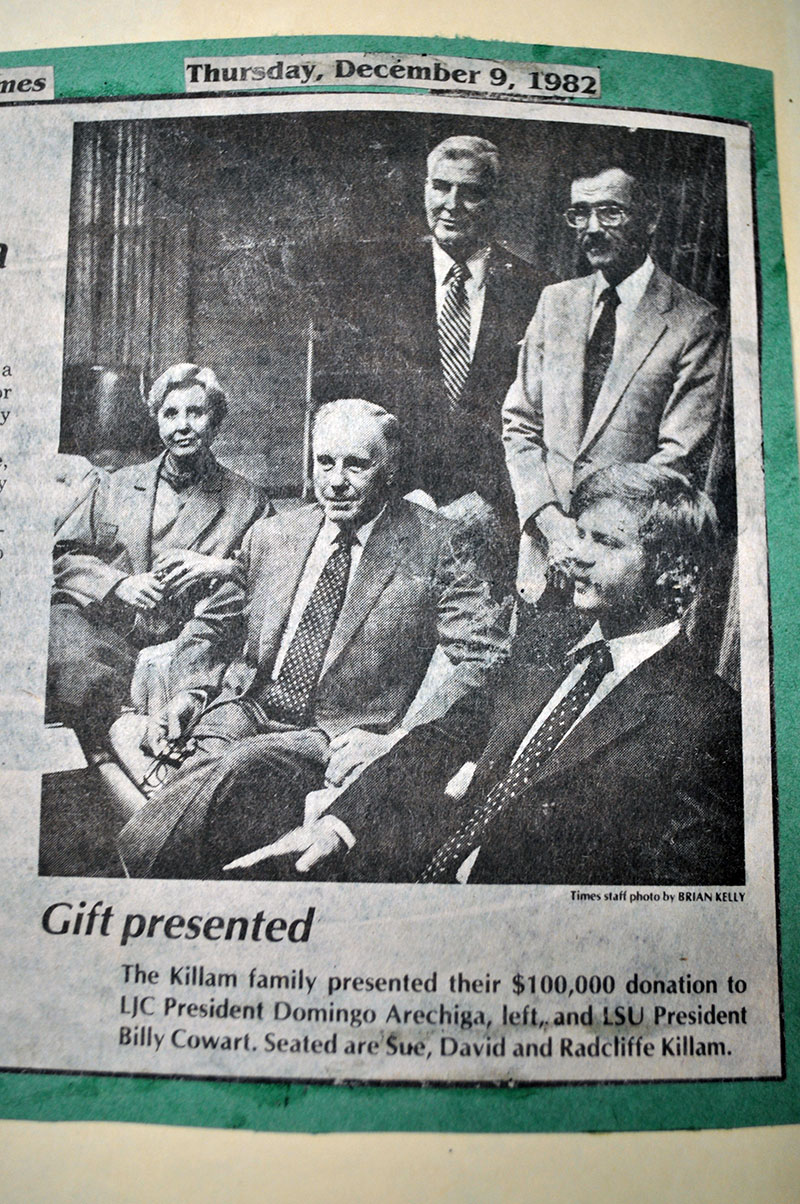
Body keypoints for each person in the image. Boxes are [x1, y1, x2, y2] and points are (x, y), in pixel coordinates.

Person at [258, 463, 743, 887]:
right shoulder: (547, 645)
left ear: (671, 571)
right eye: (579, 534)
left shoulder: (708, 716)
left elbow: (681, 893)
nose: (576, 555)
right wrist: (338, 826)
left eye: (606, 543)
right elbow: (441, 739)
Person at [116, 398, 510, 879]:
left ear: (389, 469)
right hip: (244, 707)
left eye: (357, 465)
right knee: (208, 769)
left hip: (333, 733)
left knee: (237, 768)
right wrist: (189, 691)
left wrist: (405, 740)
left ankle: (128, 872)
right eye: (325, 462)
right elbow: (214, 624)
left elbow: (483, 657)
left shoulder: (435, 543)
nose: (336, 481)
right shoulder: (273, 535)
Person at [316, 135, 545, 591]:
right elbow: (340, 407)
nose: (452, 205)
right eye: (441, 187)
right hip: (382, 512)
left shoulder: (538, 293)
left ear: (496, 200)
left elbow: (539, 421)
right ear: (425, 188)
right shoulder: (373, 277)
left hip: (491, 519)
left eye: (472, 192)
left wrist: (483, 501)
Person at [503, 165, 725, 603]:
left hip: (623, 571)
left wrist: (594, 538)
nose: (592, 228)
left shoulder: (695, 322)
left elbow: (679, 458)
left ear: (651, 219)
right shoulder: (555, 302)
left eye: (610, 212)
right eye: (580, 213)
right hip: (543, 554)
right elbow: (520, 425)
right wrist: (549, 521)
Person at [46, 363, 269, 748]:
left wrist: (223, 566)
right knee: (58, 624)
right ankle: (117, 719)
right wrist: (118, 584)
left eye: (195, 413)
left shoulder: (248, 501)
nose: (182, 425)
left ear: (214, 422)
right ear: (157, 421)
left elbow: (274, 578)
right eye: (171, 413)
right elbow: (65, 554)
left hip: (188, 640)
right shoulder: (116, 485)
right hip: (112, 631)